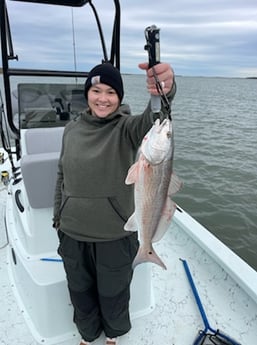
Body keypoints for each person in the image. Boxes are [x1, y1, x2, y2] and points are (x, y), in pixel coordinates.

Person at [53, 61, 176, 345]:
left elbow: (156, 118)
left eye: (111, 92)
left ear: (119, 97)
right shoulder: (71, 129)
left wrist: (164, 89)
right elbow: (61, 174)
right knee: (80, 290)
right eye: (96, 90)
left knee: (114, 292)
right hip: (72, 233)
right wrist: (58, 217)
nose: (103, 98)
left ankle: (113, 335)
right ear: (87, 93)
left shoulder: (128, 129)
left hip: (115, 234)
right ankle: (87, 334)